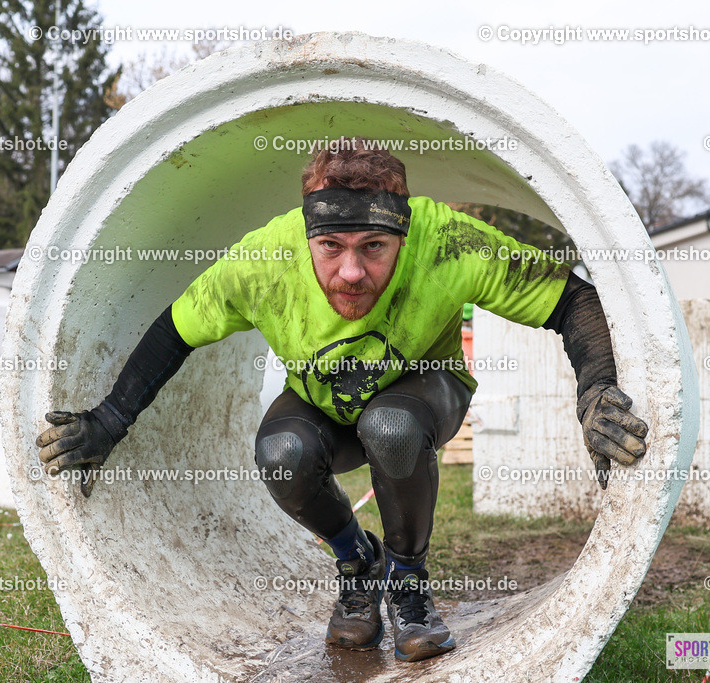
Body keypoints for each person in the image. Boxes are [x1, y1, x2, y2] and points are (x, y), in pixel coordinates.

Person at [35, 137, 649, 663]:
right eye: (332, 248)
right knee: (280, 451)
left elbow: (574, 300)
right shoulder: (262, 260)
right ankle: (359, 564)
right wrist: (108, 421)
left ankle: (408, 582)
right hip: (324, 404)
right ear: (307, 238)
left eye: (373, 248)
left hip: (423, 391)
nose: (351, 273)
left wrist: (595, 392)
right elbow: (174, 330)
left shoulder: (448, 243)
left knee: (391, 427)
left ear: (404, 236)